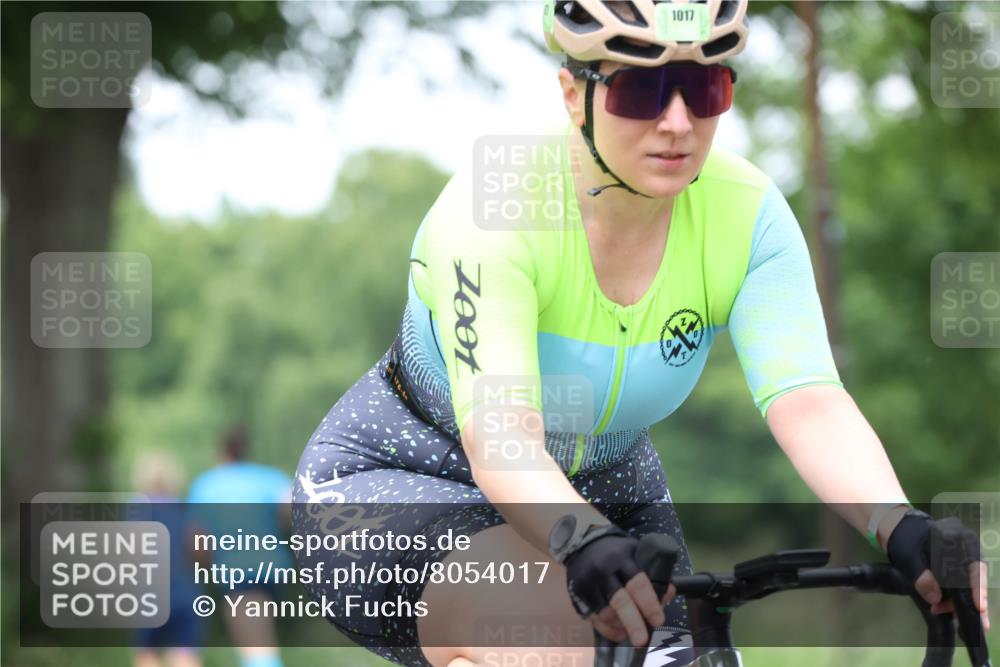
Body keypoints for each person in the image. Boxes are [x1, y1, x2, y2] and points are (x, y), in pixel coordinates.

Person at [293, 1, 990, 666]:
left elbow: (809, 403)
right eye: (641, 92)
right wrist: (582, 538)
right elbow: (501, 438)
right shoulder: (493, 211)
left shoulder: (748, 217)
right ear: (574, 94)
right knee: (550, 635)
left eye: (703, 88)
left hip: (606, 485)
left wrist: (899, 523)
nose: (678, 122)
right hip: (400, 481)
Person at [187, 427, 293, 667]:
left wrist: (203, 568)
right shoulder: (269, 478)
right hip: (274, 568)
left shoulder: (206, 485)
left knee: (255, 648)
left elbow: (197, 541)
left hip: (237, 570)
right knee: (262, 640)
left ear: (221, 452)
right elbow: (293, 509)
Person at [131, 450, 205, 667]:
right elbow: (200, 551)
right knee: (185, 655)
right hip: (184, 591)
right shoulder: (185, 508)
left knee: (147, 655)